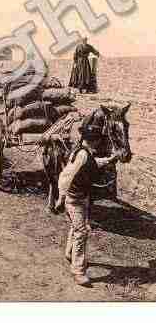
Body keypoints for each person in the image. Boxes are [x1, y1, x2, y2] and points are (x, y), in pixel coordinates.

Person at [56, 122, 118, 286]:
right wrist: (61, 198)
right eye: (98, 140)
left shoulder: (84, 153)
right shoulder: (82, 155)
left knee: (76, 227)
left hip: (81, 198)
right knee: (81, 232)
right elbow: (65, 176)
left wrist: (108, 160)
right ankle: (78, 271)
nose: (99, 143)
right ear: (94, 141)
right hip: (74, 199)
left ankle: (70, 253)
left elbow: (92, 163)